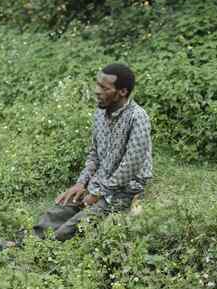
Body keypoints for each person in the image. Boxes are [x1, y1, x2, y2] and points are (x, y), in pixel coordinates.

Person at [33, 63, 152, 241]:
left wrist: (97, 194)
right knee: (59, 210)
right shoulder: (99, 113)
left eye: (104, 88)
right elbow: (94, 155)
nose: (97, 91)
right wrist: (81, 184)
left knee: (70, 229)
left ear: (122, 92)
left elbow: (130, 167)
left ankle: (39, 252)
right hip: (99, 182)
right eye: (97, 84)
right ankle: (17, 245)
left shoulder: (137, 117)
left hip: (126, 189)